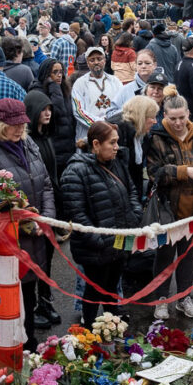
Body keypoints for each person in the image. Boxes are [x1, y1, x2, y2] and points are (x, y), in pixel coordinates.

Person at [0, 98, 55, 350]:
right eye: (13, 125)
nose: (20, 129)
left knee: (28, 294)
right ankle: (5, 352)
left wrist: (45, 218)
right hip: (9, 241)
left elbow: (46, 184)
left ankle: (27, 346)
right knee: (8, 299)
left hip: (35, 235)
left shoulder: (28, 144)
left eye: (22, 124)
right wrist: (31, 221)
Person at [143, 95, 193, 320]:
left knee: (188, 257)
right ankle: (161, 300)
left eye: (182, 118)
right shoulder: (157, 139)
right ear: (164, 116)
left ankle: (184, 298)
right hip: (168, 213)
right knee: (165, 257)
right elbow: (153, 174)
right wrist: (182, 171)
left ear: (188, 114)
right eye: (173, 118)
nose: (178, 123)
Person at [60, 121, 142, 325]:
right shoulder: (75, 172)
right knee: (94, 290)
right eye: (112, 143)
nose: (117, 147)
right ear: (96, 144)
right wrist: (100, 241)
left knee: (112, 288)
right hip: (96, 248)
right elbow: (77, 214)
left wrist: (134, 219)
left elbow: (132, 192)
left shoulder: (117, 163)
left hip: (121, 241)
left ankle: (112, 327)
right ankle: (88, 329)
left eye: (117, 142)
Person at [23, 89, 63, 329]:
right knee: (35, 261)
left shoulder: (47, 137)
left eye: (50, 109)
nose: (47, 113)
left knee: (47, 259)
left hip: (50, 207)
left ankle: (45, 301)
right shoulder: (29, 142)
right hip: (34, 210)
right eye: (43, 109)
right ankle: (36, 304)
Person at [72, 46, 132, 141]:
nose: (96, 62)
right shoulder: (80, 83)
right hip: (88, 133)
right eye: (92, 60)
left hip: (112, 132)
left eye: (99, 59)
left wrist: (112, 122)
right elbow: (78, 111)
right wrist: (99, 124)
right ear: (87, 63)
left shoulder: (115, 81)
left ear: (104, 60)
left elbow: (124, 106)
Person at [31, 59, 76, 178]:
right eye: (55, 72)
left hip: (68, 147)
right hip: (53, 148)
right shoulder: (38, 91)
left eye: (61, 71)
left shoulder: (64, 89)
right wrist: (53, 86)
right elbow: (57, 111)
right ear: (46, 74)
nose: (59, 75)